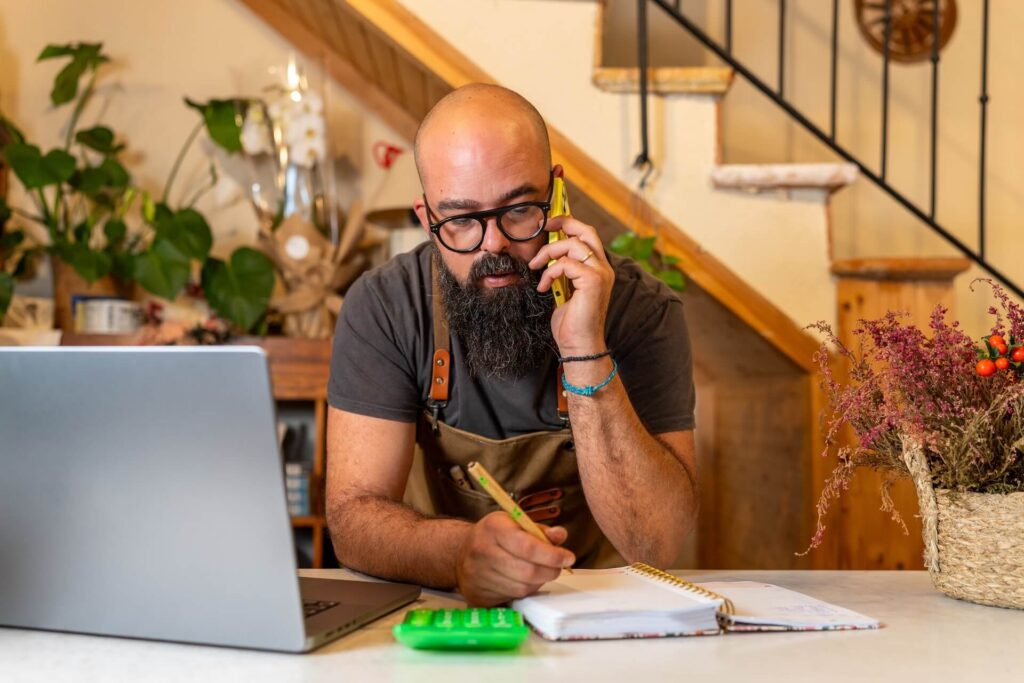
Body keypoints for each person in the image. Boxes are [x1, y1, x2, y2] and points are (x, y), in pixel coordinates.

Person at [326, 84, 697, 606]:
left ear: (557, 193)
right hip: (444, 609)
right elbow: (352, 519)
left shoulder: (643, 310)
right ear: (427, 219)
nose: (494, 243)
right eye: (459, 220)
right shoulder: (384, 306)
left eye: (520, 209)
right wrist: (459, 554)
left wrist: (586, 351)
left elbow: (653, 542)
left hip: (597, 613)